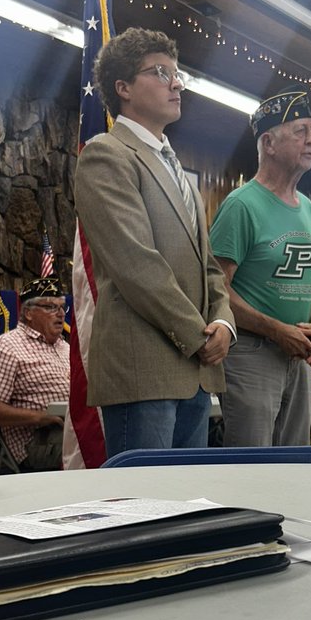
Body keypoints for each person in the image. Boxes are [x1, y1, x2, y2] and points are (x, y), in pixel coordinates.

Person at [73, 27, 234, 457]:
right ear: (122, 87)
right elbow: (136, 264)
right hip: (142, 370)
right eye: (160, 72)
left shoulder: (174, 166)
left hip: (194, 368)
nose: (176, 83)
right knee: (145, 513)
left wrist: (223, 323)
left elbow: (208, 267)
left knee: (186, 511)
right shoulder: (106, 154)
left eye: (177, 74)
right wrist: (197, 335)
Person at [209, 88, 311, 447]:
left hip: (297, 356)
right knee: (252, 467)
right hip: (251, 353)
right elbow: (216, 289)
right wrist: (276, 330)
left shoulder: (307, 207)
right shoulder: (241, 205)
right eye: (301, 131)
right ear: (269, 143)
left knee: (295, 466)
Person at [0, 275, 69, 471]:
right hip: (40, 440)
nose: (60, 314)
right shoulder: (6, 346)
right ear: (29, 313)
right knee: (101, 445)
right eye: (50, 307)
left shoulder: (65, 346)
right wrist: (40, 417)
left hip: (72, 429)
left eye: (62, 307)